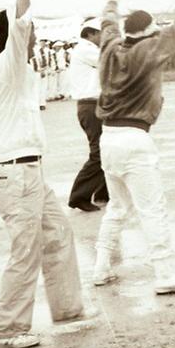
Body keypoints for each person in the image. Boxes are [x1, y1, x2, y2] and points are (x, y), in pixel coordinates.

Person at [0, 0, 88, 348]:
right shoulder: (6, 68)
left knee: (58, 234)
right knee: (24, 253)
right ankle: (8, 330)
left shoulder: (18, 72)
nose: (36, 38)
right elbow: (18, 25)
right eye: (32, 34)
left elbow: (11, 29)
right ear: (15, 40)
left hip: (29, 174)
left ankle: (68, 311)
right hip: (14, 175)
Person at [92, 0, 175, 294]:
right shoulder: (149, 49)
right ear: (148, 30)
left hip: (108, 138)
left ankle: (100, 266)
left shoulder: (109, 46)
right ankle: (164, 274)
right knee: (152, 208)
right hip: (135, 138)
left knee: (118, 208)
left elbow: (108, 24)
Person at [67, 17, 109, 211]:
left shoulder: (88, 49)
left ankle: (102, 192)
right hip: (90, 106)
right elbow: (110, 60)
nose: (104, 38)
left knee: (105, 150)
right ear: (91, 33)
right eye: (102, 34)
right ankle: (78, 196)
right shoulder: (86, 49)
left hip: (95, 105)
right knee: (99, 153)